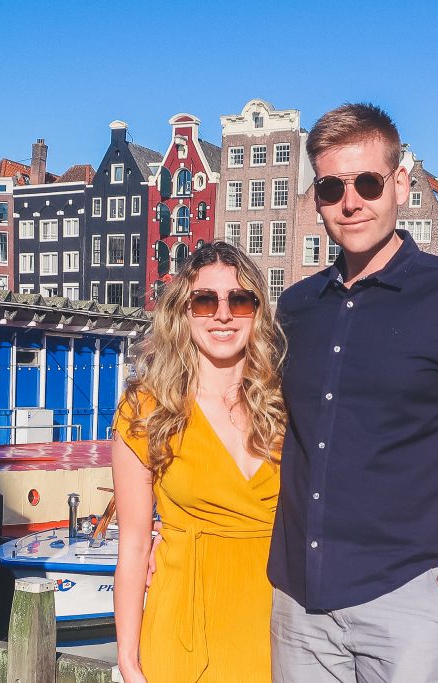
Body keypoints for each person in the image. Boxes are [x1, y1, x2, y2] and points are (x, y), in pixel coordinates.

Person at [269, 103, 438, 682]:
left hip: (408, 600)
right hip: (298, 603)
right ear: (317, 198)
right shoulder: (297, 308)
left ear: (401, 184)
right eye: (332, 187)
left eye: (367, 182)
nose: (351, 201)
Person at [112, 241, 286, 682]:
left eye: (239, 300)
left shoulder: (285, 407)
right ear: (183, 313)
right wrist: (129, 662)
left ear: (257, 312)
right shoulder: (146, 410)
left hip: (278, 630)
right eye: (205, 301)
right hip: (183, 634)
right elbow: (133, 547)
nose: (222, 314)